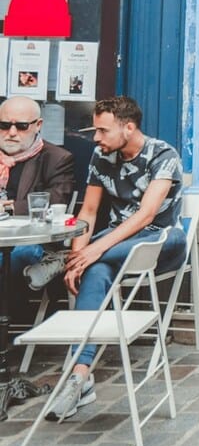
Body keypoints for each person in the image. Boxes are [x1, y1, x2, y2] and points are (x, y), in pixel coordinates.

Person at [49, 96, 187, 423]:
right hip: (117, 244)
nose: (95, 138)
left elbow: (146, 215)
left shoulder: (162, 155)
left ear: (128, 127)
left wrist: (91, 250)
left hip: (161, 241)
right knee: (95, 270)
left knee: (96, 258)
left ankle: (55, 263)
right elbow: (90, 211)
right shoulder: (101, 156)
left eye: (102, 130)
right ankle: (79, 377)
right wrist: (78, 254)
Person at [1, 96, 76, 295]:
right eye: (4, 125)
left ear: (38, 125)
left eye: (22, 126)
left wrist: (10, 207)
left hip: (29, 240)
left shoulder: (56, 158)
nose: (12, 133)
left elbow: (56, 200)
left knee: (18, 254)